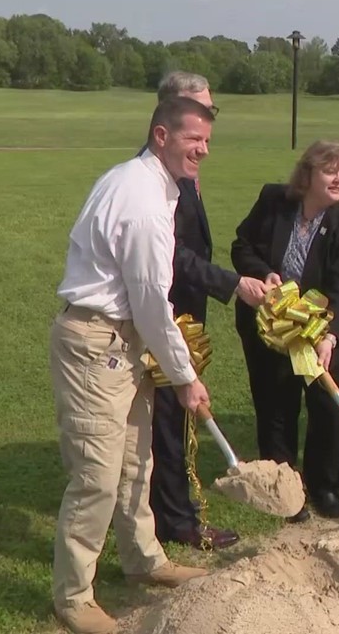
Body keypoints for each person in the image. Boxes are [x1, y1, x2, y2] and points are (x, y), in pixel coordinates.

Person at [49, 96, 213, 634]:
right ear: (161, 135)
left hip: (126, 341)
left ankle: (144, 558)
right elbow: (149, 299)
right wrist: (186, 378)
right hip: (98, 342)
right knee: (96, 475)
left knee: (136, 461)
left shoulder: (151, 184)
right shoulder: (142, 199)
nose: (203, 150)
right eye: (193, 139)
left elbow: (148, 304)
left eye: (207, 141)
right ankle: (73, 596)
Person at [145, 71, 268, 552]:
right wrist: (233, 282)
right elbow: (173, 255)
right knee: (169, 424)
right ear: (170, 118)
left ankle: (164, 512)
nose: (208, 129)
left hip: (181, 311)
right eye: (201, 114)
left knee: (172, 422)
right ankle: (177, 521)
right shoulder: (153, 181)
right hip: (162, 313)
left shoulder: (178, 175)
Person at [230, 140, 339, 521]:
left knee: (326, 406)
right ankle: (285, 489)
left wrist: (331, 335)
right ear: (307, 175)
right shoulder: (274, 200)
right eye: (330, 171)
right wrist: (262, 273)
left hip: (322, 332)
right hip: (270, 327)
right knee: (275, 405)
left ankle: (325, 487)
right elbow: (242, 246)